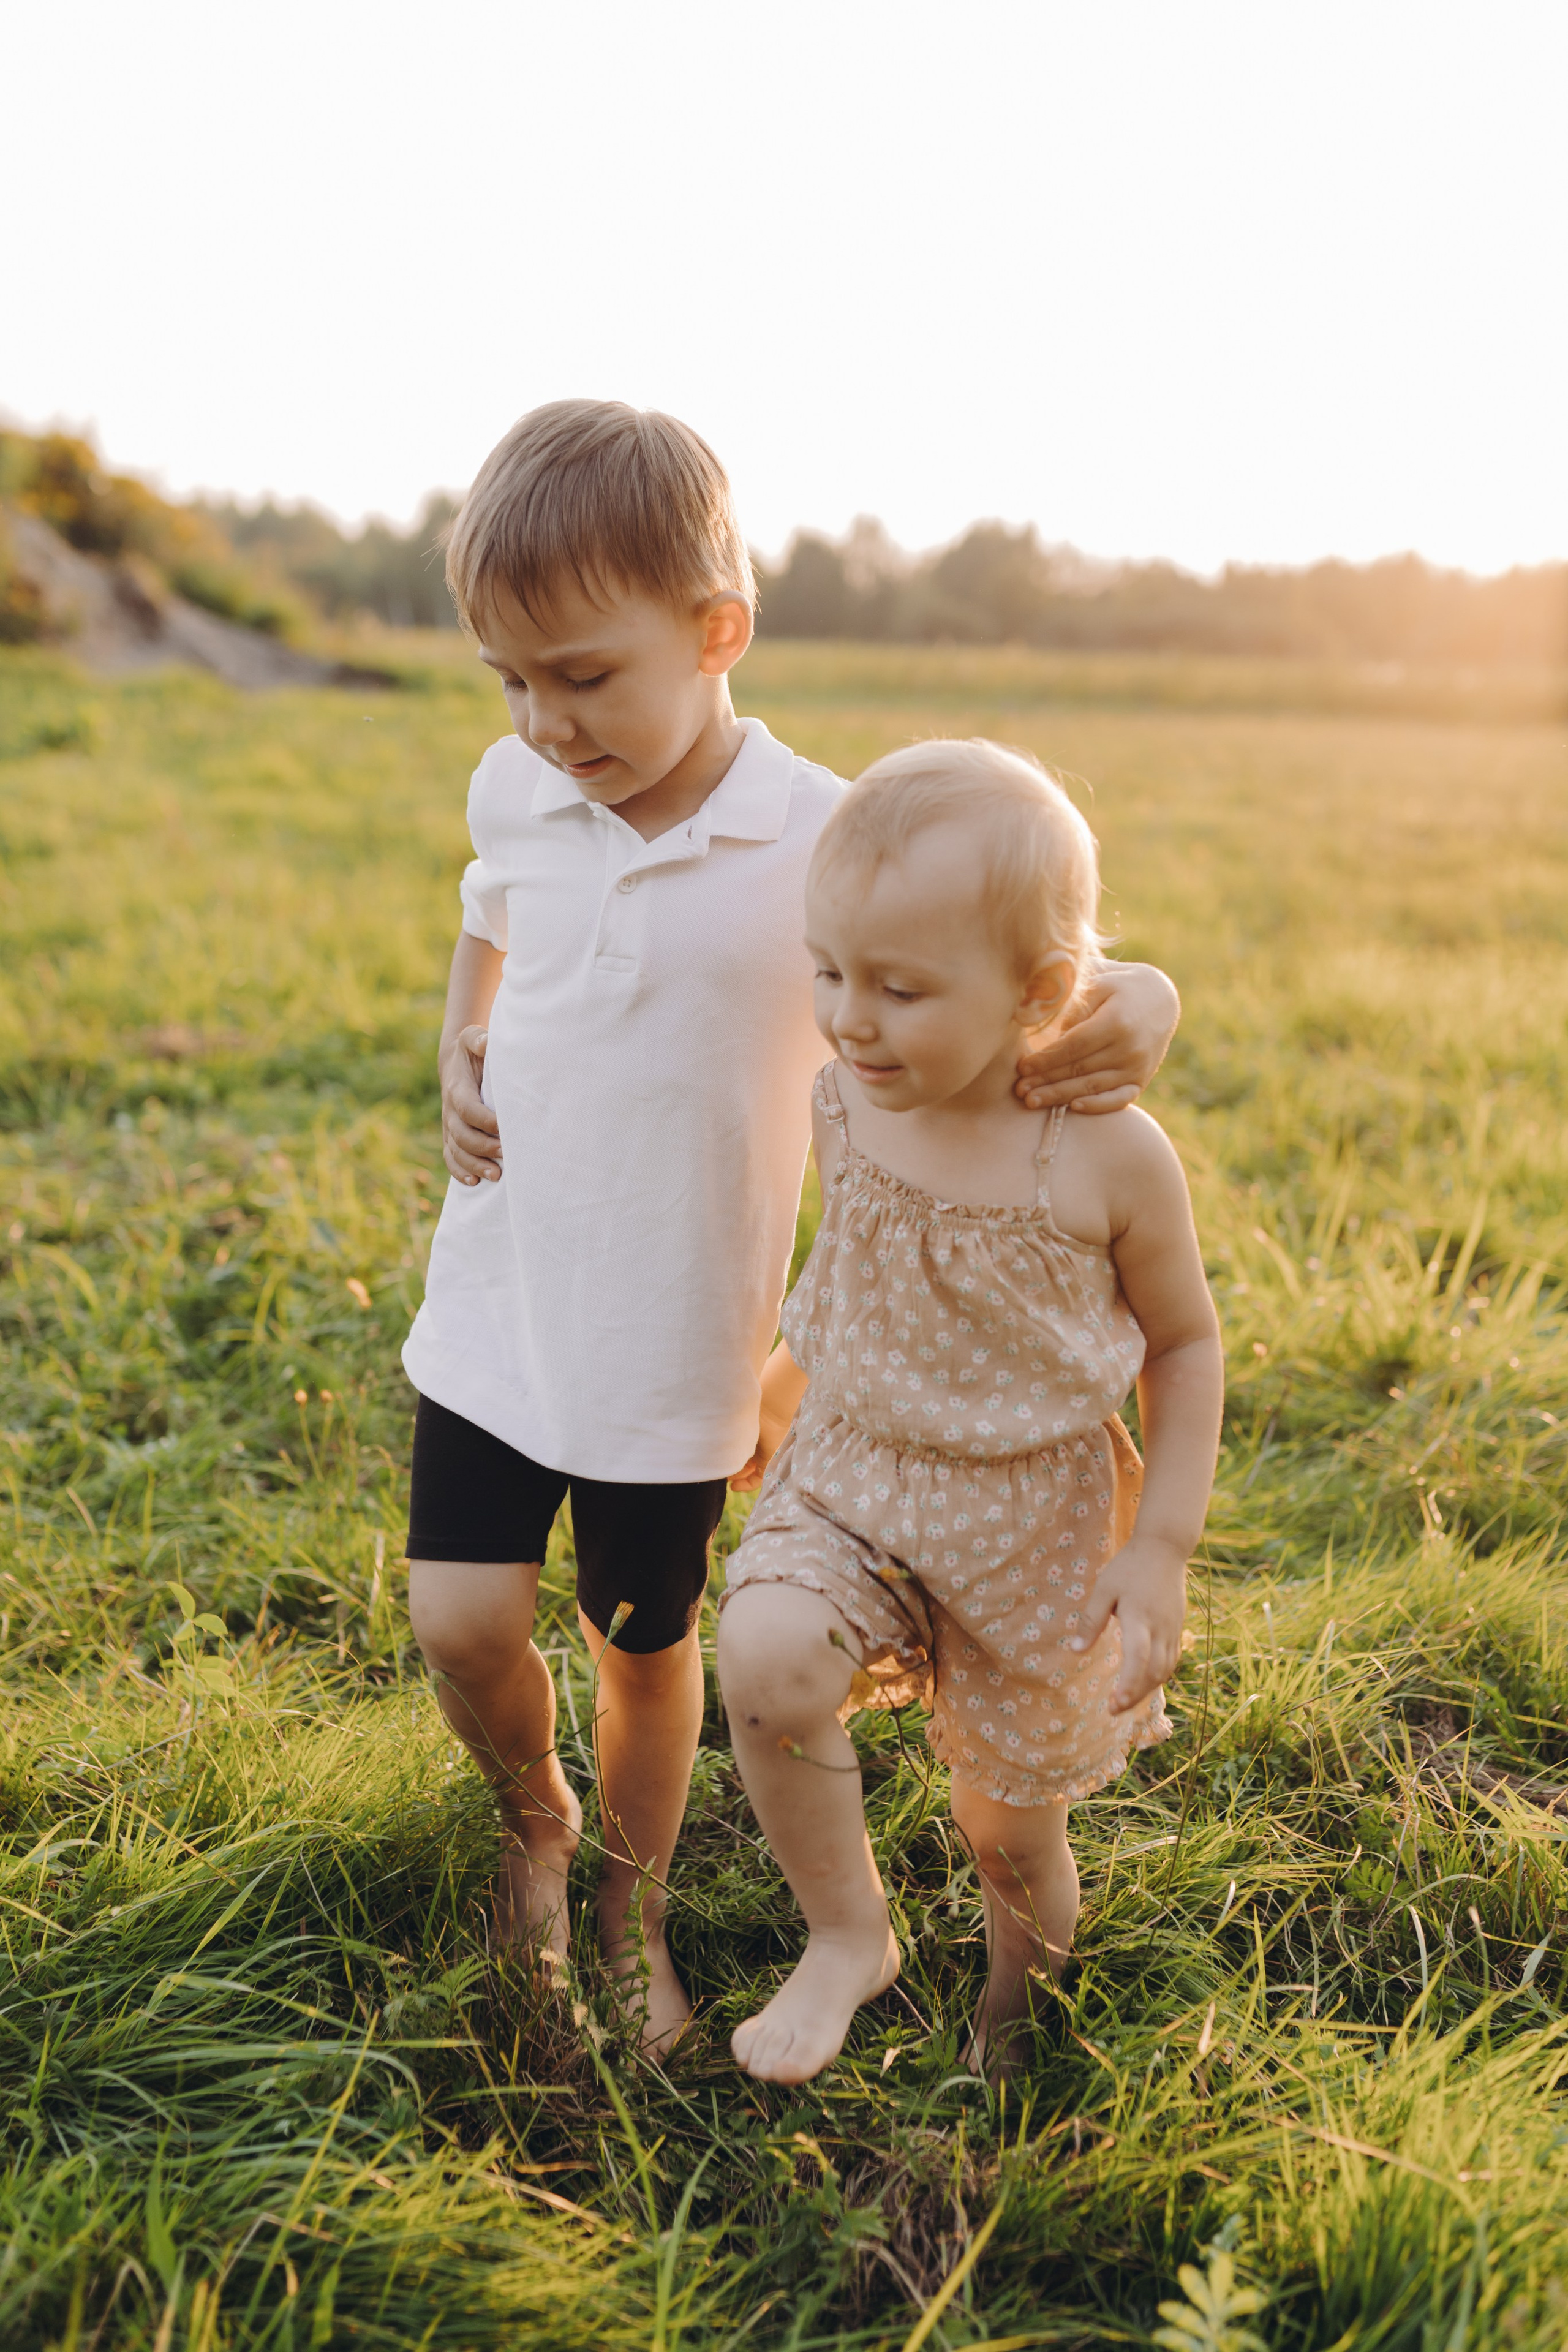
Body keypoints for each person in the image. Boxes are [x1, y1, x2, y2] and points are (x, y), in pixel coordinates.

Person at [401, 401, 1183, 2055]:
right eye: (509, 681)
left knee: (640, 1644)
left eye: (583, 676)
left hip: (676, 1343)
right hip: (499, 1301)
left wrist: (1146, 992)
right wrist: (460, 1036)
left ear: (718, 632)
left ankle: (629, 1905)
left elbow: (1003, 923)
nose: (543, 722)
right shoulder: (517, 784)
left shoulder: (819, 831)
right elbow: (488, 911)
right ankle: (533, 1819)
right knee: (457, 1620)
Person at [717, 739, 1224, 2083]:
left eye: (899, 989)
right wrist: (775, 1397)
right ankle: (847, 1934)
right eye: (830, 972)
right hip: (853, 1474)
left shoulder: (1107, 1157)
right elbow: (859, 1277)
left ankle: (1015, 2008)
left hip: (1031, 1524)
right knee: (765, 1659)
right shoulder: (847, 1099)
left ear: (1040, 992)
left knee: (1008, 1833)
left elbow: (1184, 1345)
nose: (850, 1019)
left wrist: (1161, 1546)